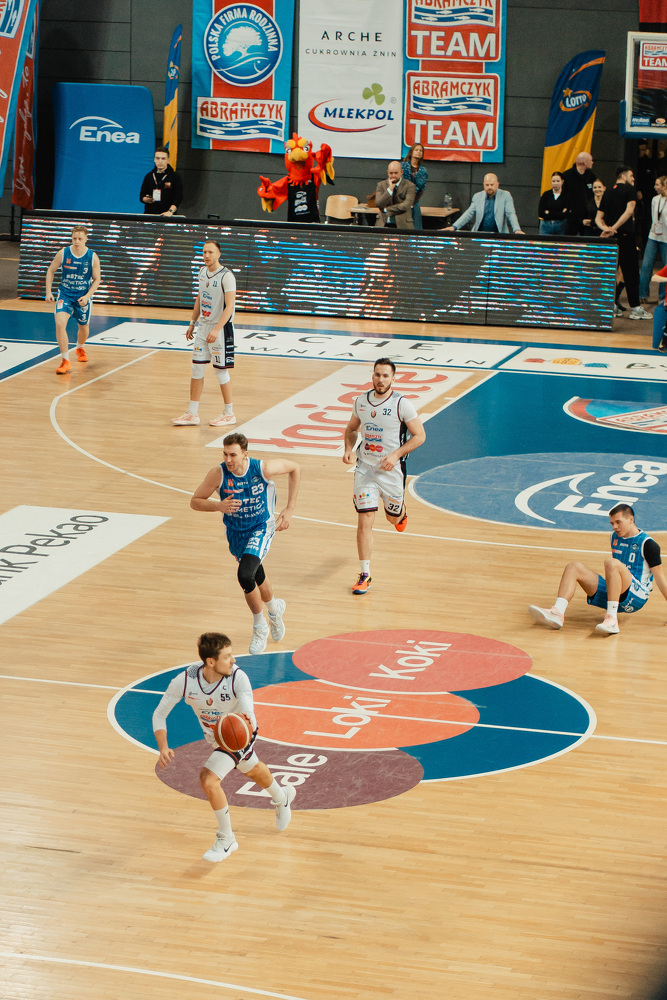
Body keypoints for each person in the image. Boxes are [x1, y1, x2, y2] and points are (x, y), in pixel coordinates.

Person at [153, 631, 296, 863]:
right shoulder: (185, 681)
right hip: (217, 738)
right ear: (211, 662)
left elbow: (248, 713)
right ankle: (282, 797)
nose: (233, 660)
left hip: (241, 733)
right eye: (227, 656)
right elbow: (159, 714)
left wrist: (243, 725)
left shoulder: (238, 678)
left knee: (208, 780)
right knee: (251, 769)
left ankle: (227, 839)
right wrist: (163, 747)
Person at [190, 432, 300, 653]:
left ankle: (260, 626)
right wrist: (217, 506)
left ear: (244, 455)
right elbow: (195, 501)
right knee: (256, 573)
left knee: (245, 574)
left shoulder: (262, 469)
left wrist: (289, 509)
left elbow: (295, 468)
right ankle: (274, 609)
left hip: (261, 527)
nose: (228, 459)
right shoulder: (218, 473)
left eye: (233, 455)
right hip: (236, 533)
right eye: (225, 454)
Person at [342, 358, 426, 595]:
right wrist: (348, 449)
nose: (381, 379)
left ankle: (401, 512)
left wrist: (396, 455)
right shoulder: (361, 401)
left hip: (391, 472)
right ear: (372, 376)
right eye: (377, 375)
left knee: (393, 519)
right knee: (365, 519)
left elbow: (420, 436)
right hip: (365, 469)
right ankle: (365, 575)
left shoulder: (401, 404)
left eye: (385, 376)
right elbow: (351, 429)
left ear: (393, 379)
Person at [529, 504, 667, 635]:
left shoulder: (648, 544)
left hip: (636, 595)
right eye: (612, 523)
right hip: (615, 592)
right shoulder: (614, 537)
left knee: (611, 563)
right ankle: (557, 612)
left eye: (618, 522)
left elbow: (660, 579)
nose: (615, 527)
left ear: (631, 519)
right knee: (574, 567)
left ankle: (612, 619)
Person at [172, 240, 237, 428]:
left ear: (219, 254)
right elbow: (200, 298)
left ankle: (229, 413)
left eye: (210, 252)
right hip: (203, 327)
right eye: (204, 252)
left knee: (220, 371)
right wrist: (192, 323)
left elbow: (230, 306)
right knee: (196, 369)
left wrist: (216, 329)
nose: (207, 255)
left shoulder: (227, 276)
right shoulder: (202, 272)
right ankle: (192, 413)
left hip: (221, 329)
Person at [596, 166, 652, 321]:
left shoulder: (608, 192)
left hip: (611, 239)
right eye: (631, 176)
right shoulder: (629, 190)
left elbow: (598, 218)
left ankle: (612, 306)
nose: (633, 179)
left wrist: (606, 229)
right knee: (631, 273)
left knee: (611, 272)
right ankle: (635, 308)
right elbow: (628, 212)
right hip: (625, 237)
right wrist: (613, 228)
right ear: (623, 176)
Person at [45, 225, 102, 375]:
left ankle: (80, 347)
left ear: (86, 239)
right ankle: (65, 360)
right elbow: (51, 270)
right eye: (74, 238)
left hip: (82, 296)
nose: (77, 241)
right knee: (59, 324)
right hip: (65, 294)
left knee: (83, 326)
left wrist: (87, 296)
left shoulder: (92, 257)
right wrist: (48, 292)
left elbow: (97, 279)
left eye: (80, 239)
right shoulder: (63, 253)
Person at [445, 173, 524, 234]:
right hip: (480, 234)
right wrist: (454, 227)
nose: (489, 187)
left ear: (497, 184)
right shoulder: (477, 196)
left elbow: (511, 214)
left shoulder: (505, 195)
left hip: (499, 235)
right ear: (483, 185)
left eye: (492, 185)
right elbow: (468, 214)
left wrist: (517, 229)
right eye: (487, 185)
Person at [638, 175, 667, 302]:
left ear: (664, 186)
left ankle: (662, 296)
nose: (655, 187)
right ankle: (642, 294)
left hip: (666, 239)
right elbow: (654, 218)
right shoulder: (655, 199)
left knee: (665, 268)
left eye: (657, 185)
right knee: (646, 265)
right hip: (653, 236)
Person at [140, 146, 183, 216]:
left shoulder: (175, 177)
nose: (160, 161)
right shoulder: (149, 176)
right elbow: (141, 196)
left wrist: (170, 211)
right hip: (150, 215)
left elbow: (178, 197)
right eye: (158, 158)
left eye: (163, 158)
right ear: (154, 159)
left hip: (168, 216)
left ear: (168, 160)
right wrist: (146, 199)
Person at [562, 151, 596, 236]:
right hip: (571, 218)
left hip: (587, 217)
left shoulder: (591, 176)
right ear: (585, 162)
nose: (592, 162)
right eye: (591, 160)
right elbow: (563, 196)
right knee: (569, 240)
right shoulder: (567, 176)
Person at [375, 161, 415, 229]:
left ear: (401, 172)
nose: (393, 176)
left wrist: (386, 210)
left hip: (403, 225)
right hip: (383, 224)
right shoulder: (381, 185)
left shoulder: (410, 186)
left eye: (396, 173)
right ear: (387, 172)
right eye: (391, 173)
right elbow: (379, 203)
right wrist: (390, 189)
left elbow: (405, 206)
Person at [402, 143, 428, 229]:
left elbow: (421, 189)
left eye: (421, 151)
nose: (419, 152)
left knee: (416, 226)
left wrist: (413, 203)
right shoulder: (403, 166)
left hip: (415, 201)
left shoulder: (423, 170)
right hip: (402, 200)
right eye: (416, 150)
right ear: (411, 152)